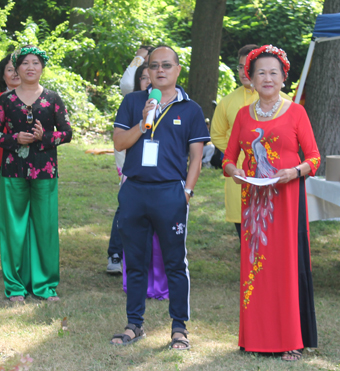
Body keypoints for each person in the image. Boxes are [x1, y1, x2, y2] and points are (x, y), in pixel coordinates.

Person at [222, 45, 319, 361]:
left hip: (288, 200)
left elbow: (314, 158)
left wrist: (294, 171)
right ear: (249, 78)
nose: (267, 78)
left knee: (286, 267)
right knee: (256, 268)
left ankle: (291, 339)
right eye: (260, 72)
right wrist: (235, 171)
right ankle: (254, 338)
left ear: (283, 78)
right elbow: (227, 159)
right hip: (255, 202)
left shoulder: (296, 112)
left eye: (273, 72)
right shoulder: (241, 115)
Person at [110, 46, 210, 348]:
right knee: (135, 261)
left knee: (175, 262)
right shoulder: (133, 102)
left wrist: (187, 192)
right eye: (154, 66)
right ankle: (134, 325)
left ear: (178, 70)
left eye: (167, 65)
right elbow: (119, 141)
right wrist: (143, 123)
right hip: (135, 190)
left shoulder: (190, 109)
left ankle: (179, 328)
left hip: (170, 192)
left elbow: (196, 157)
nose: (160, 70)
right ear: (148, 72)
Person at [0, 45, 72, 302]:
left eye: (35, 63)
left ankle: (45, 286)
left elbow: (67, 133)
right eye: (25, 63)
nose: (30, 67)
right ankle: (15, 286)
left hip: (46, 171)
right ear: (17, 68)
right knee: (14, 227)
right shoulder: (5, 100)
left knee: (45, 227)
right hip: (12, 171)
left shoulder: (53, 98)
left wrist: (43, 137)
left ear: (42, 67)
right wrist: (15, 139)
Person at [211, 44, 290, 240]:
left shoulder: (286, 102)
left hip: (275, 174)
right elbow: (217, 134)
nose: (243, 71)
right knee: (246, 232)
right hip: (240, 172)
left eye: (248, 66)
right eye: (239, 66)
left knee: (277, 231)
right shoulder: (227, 102)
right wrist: (237, 152)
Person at [107, 64, 151, 273]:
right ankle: (116, 253)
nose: (149, 80)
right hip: (131, 172)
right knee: (125, 212)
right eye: (144, 77)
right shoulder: (132, 103)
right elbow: (119, 143)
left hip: (159, 176)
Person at [0, 54, 21, 206]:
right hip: (4, 159)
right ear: (3, 76)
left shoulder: (40, 97)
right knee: (7, 206)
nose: (15, 73)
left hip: (31, 158)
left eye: (17, 69)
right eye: (10, 70)